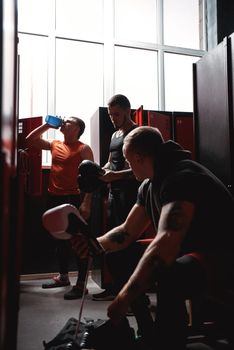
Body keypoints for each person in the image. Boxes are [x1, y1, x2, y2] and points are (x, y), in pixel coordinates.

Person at [72, 126, 234, 349]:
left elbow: (166, 243)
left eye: (129, 162)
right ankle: (149, 334)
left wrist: (123, 299)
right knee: (118, 257)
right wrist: (96, 244)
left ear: (139, 158)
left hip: (222, 256)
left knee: (168, 273)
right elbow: (126, 231)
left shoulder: (181, 176)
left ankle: (167, 342)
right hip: (188, 254)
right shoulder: (149, 185)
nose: (129, 167)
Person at [26, 116, 94, 300]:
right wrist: (47, 125)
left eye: (69, 121)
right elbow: (30, 140)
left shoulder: (83, 148)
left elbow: (91, 178)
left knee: (78, 241)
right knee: (59, 240)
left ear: (77, 128)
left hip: (73, 198)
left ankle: (81, 285)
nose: (64, 121)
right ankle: (64, 277)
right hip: (54, 198)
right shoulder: (55, 144)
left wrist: (86, 202)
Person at [92, 94, 141, 301]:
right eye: (111, 114)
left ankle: (135, 297)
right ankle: (116, 288)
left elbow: (138, 169)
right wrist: (100, 171)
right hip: (114, 192)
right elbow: (110, 163)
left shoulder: (137, 133)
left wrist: (115, 175)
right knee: (114, 241)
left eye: (117, 114)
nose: (113, 118)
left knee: (127, 243)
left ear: (127, 111)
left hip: (131, 193)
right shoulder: (114, 135)